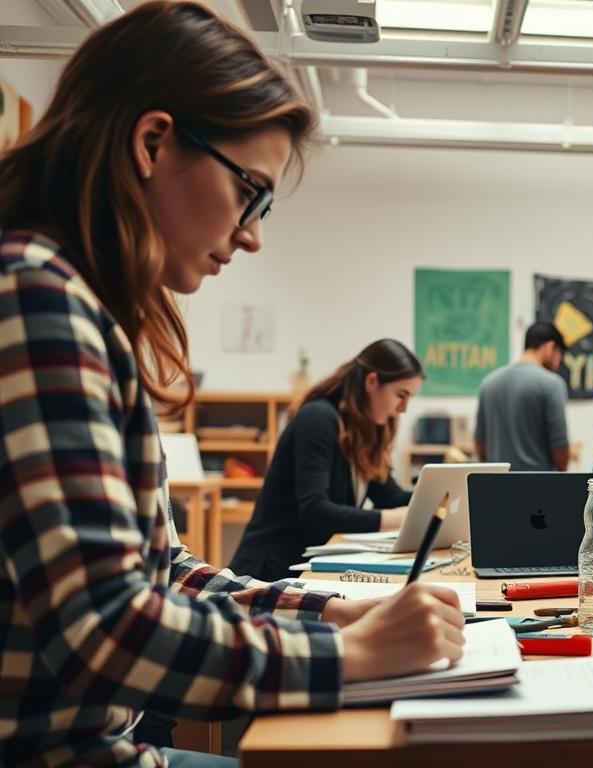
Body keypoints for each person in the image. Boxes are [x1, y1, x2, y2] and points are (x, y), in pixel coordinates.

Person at [0, 5, 464, 766]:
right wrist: (345, 658)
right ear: (152, 143)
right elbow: (108, 627)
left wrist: (335, 613)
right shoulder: (38, 297)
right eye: (250, 190)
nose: (251, 232)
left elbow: (165, 573)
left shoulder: (71, 303)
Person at [230, 339, 424, 582]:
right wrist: (396, 518)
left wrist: (437, 501)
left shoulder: (366, 429)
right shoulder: (318, 419)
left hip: (305, 570)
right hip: (270, 575)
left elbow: (390, 497)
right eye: (401, 395)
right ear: (372, 382)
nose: (403, 408)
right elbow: (316, 512)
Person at [474, 321, 571, 471]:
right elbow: (560, 450)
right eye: (559, 356)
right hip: (538, 487)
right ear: (550, 347)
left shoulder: (488, 383)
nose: (558, 364)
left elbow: (480, 444)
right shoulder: (552, 384)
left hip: (497, 487)